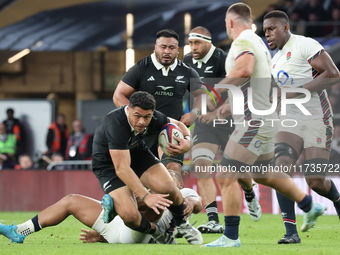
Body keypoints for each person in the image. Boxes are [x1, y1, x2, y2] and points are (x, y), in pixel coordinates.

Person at [201, 3, 326, 248]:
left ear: (230, 23)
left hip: (253, 121)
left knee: (226, 176)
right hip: (264, 119)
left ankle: (231, 237)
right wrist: (225, 107)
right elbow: (252, 81)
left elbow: (245, 69)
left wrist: (217, 93)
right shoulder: (258, 41)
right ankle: (310, 205)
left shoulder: (242, 41)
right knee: (264, 175)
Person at [263, 10, 340, 244]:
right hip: (290, 121)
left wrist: (296, 91)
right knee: (281, 166)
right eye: (265, 30)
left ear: (286, 28)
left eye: (271, 29)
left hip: (317, 118)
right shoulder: (274, 60)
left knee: (316, 182)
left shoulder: (306, 44)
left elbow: (333, 74)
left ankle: (336, 202)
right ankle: (291, 233)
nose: (267, 34)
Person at [92, 91, 202, 245]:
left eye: (147, 117)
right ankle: (157, 233)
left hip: (137, 153)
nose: (142, 122)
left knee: (168, 186)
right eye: (137, 116)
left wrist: (188, 141)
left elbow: (178, 124)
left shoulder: (154, 117)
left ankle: (181, 224)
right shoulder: (115, 124)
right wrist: (146, 195)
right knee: (130, 216)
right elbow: (122, 169)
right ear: (128, 109)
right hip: (109, 166)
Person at [183, 26, 261, 234]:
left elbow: (240, 90)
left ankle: (250, 193)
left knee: (239, 173)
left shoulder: (225, 60)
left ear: (208, 42)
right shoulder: (187, 62)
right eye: (190, 43)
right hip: (203, 123)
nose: (193, 47)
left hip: (229, 121)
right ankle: (213, 221)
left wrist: (218, 111)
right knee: (201, 165)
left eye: (197, 43)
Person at [0, 169, 202, 244]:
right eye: (160, 178)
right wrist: (103, 238)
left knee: (153, 201)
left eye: (167, 179)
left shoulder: (184, 195)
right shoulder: (152, 192)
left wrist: (191, 203)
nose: (162, 182)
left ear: (181, 185)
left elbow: (198, 203)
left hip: (145, 236)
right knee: (71, 200)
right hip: (119, 229)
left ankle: (115, 204)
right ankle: (19, 231)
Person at [113, 29, 203, 174]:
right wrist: (135, 117)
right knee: (144, 185)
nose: (167, 51)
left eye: (171, 47)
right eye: (163, 47)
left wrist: (195, 113)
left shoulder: (187, 72)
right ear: (155, 48)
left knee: (172, 172)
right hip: (143, 133)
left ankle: (176, 192)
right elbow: (118, 95)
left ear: (177, 50)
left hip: (171, 131)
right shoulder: (141, 68)